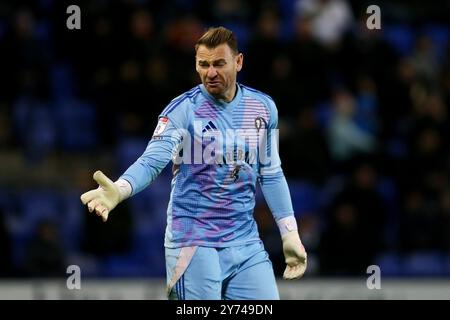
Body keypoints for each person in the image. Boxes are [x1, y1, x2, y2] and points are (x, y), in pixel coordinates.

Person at [80, 26, 307, 300]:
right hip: (193, 242)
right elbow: (152, 161)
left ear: (238, 62)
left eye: (219, 64)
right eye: (204, 64)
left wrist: (289, 233)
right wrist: (121, 188)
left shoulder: (263, 108)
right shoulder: (183, 110)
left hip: (245, 243)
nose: (211, 72)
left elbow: (270, 174)